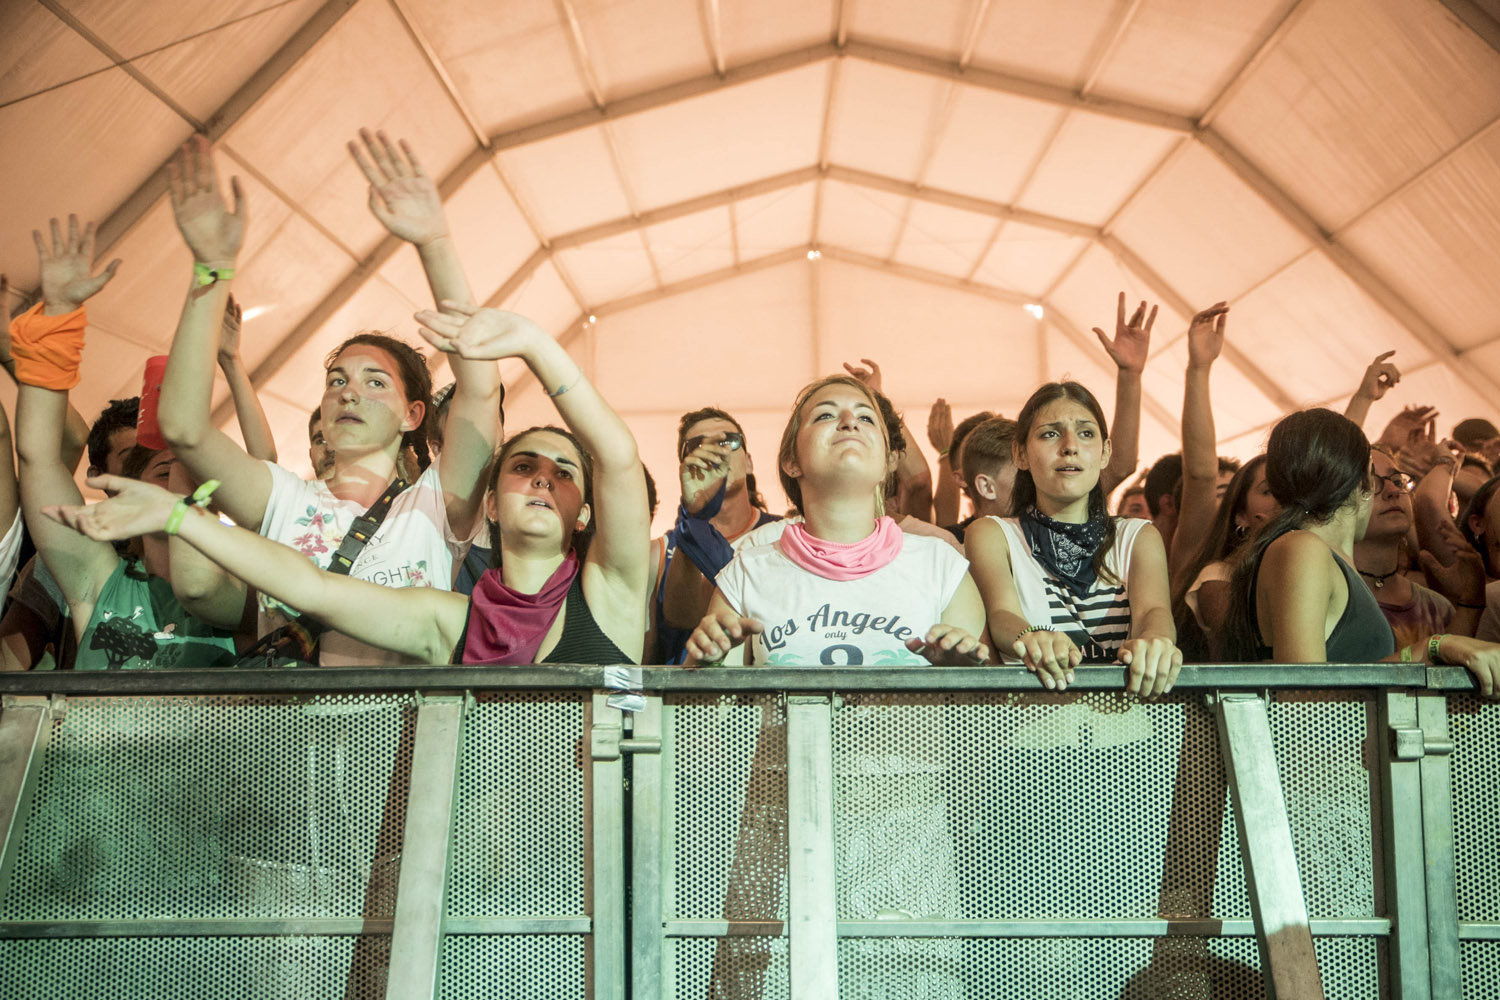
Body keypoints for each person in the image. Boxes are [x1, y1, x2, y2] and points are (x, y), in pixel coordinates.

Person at [48, 305, 649, 668]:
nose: (542, 476)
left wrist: (535, 343)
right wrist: (179, 517)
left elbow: (616, 457)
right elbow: (311, 588)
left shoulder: (609, 589)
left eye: (565, 472)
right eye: (522, 466)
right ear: (490, 502)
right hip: (291, 770)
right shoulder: (457, 619)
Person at [156, 133, 502, 666]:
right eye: (337, 381)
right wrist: (211, 271)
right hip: (286, 721)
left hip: (402, 722)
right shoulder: (282, 498)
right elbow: (183, 428)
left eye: (375, 382)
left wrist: (434, 242)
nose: (349, 393)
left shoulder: (435, 505)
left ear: (413, 416)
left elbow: (481, 386)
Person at [14, 216, 239, 670]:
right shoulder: (100, 581)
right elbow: (38, 457)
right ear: (127, 487)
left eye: (188, 466)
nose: (174, 471)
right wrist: (57, 318)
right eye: (160, 465)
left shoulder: (244, 591)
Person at [683, 374, 987, 668]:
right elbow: (709, 698)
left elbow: (987, 695)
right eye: (825, 415)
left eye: (866, 418)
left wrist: (963, 676)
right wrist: (706, 664)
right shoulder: (746, 573)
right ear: (791, 461)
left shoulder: (943, 567)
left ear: (887, 462)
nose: (850, 422)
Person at [1221, 409, 1499, 696]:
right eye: (1380, 479)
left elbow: (1351, 680)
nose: (1392, 491)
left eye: (1398, 481)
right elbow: (1302, 697)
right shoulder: (1303, 548)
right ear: (1365, 477)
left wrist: (1429, 649)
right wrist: (1433, 647)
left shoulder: (1321, 554)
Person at [965, 381, 1180, 695]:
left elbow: (1153, 612)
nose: (1069, 446)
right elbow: (1002, 613)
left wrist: (1155, 642)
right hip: (1034, 719)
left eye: (1086, 433)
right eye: (1050, 434)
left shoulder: (1137, 536)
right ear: (1020, 454)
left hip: (1130, 719)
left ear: (1105, 452)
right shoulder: (994, 534)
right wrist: (1030, 636)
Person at [1353, 448, 1482, 647]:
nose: (1393, 490)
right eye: (1370, 483)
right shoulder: (1327, 596)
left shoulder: (1436, 607)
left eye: (1398, 481)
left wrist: (1471, 601)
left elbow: (1449, 665)